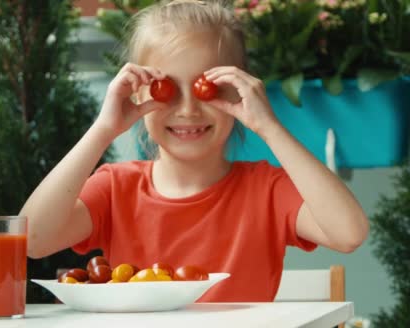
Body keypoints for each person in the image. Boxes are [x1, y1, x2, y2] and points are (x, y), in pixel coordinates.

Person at [20, 0, 369, 302]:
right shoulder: (115, 188)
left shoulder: (267, 190)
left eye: (208, 88)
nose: (187, 110)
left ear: (239, 91)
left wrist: (270, 127)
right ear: (139, 95)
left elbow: (349, 233)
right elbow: (32, 239)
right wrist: (102, 130)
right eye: (166, 88)